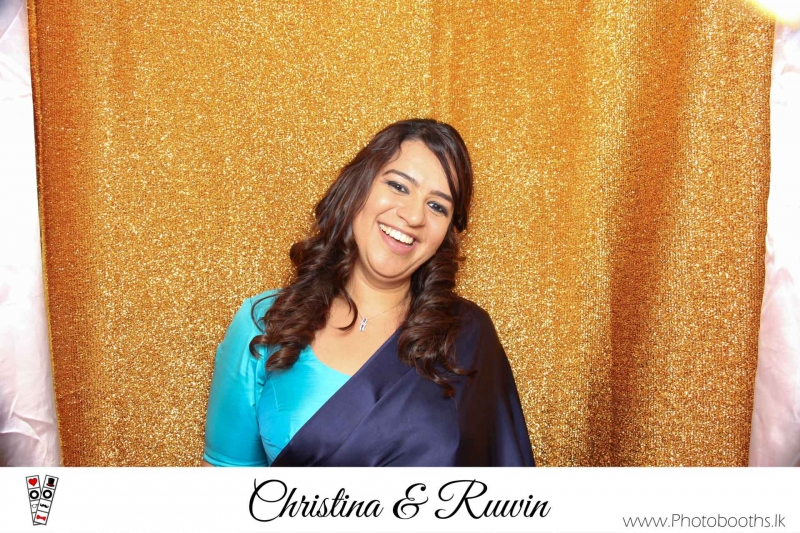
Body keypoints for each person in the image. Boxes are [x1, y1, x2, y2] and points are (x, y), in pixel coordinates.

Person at [202, 119, 534, 466]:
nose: (413, 216)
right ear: (357, 187)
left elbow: (505, 483)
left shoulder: (469, 336)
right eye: (399, 186)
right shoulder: (264, 323)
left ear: (448, 233)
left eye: (437, 206)